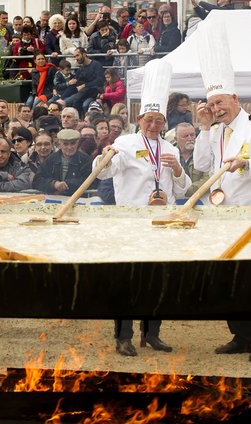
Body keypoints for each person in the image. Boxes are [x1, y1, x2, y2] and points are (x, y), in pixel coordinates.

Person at [194, 26, 251, 362]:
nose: (216, 108)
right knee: (228, 279)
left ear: (236, 99)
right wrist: (203, 127)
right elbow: (201, 163)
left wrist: (244, 163)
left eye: (221, 102)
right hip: (222, 218)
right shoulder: (215, 132)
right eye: (212, 103)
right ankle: (240, 335)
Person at [95, 60, 190, 356]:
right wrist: (105, 157)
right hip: (131, 222)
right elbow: (103, 173)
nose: (153, 125)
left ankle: (152, 333)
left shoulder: (171, 148)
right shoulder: (124, 144)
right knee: (127, 281)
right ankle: (123, 336)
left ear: (164, 123)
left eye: (158, 121)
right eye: (149, 119)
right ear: (139, 118)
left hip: (163, 222)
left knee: (157, 281)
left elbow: (184, 188)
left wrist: (176, 170)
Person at [33, 129, 92, 195]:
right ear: (59, 144)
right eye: (65, 144)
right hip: (53, 200)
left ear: (77, 143)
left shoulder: (85, 160)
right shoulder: (51, 159)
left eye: (73, 143)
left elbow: (89, 181)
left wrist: (66, 185)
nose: (69, 147)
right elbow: (37, 181)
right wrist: (54, 184)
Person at [62, 48, 105, 113]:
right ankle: (62, 100)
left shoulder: (96, 65)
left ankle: (63, 102)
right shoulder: (80, 69)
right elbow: (76, 83)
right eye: (74, 56)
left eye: (77, 55)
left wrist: (84, 85)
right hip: (83, 93)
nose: (76, 58)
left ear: (84, 54)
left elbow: (100, 81)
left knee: (85, 104)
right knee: (74, 100)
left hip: (94, 91)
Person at [175, 123, 208, 197]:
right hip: (175, 200)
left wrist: (185, 191)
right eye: (185, 136)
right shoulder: (171, 154)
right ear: (176, 139)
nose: (190, 139)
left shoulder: (204, 153)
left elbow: (208, 177)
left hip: (200, 199)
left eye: (192, 135)